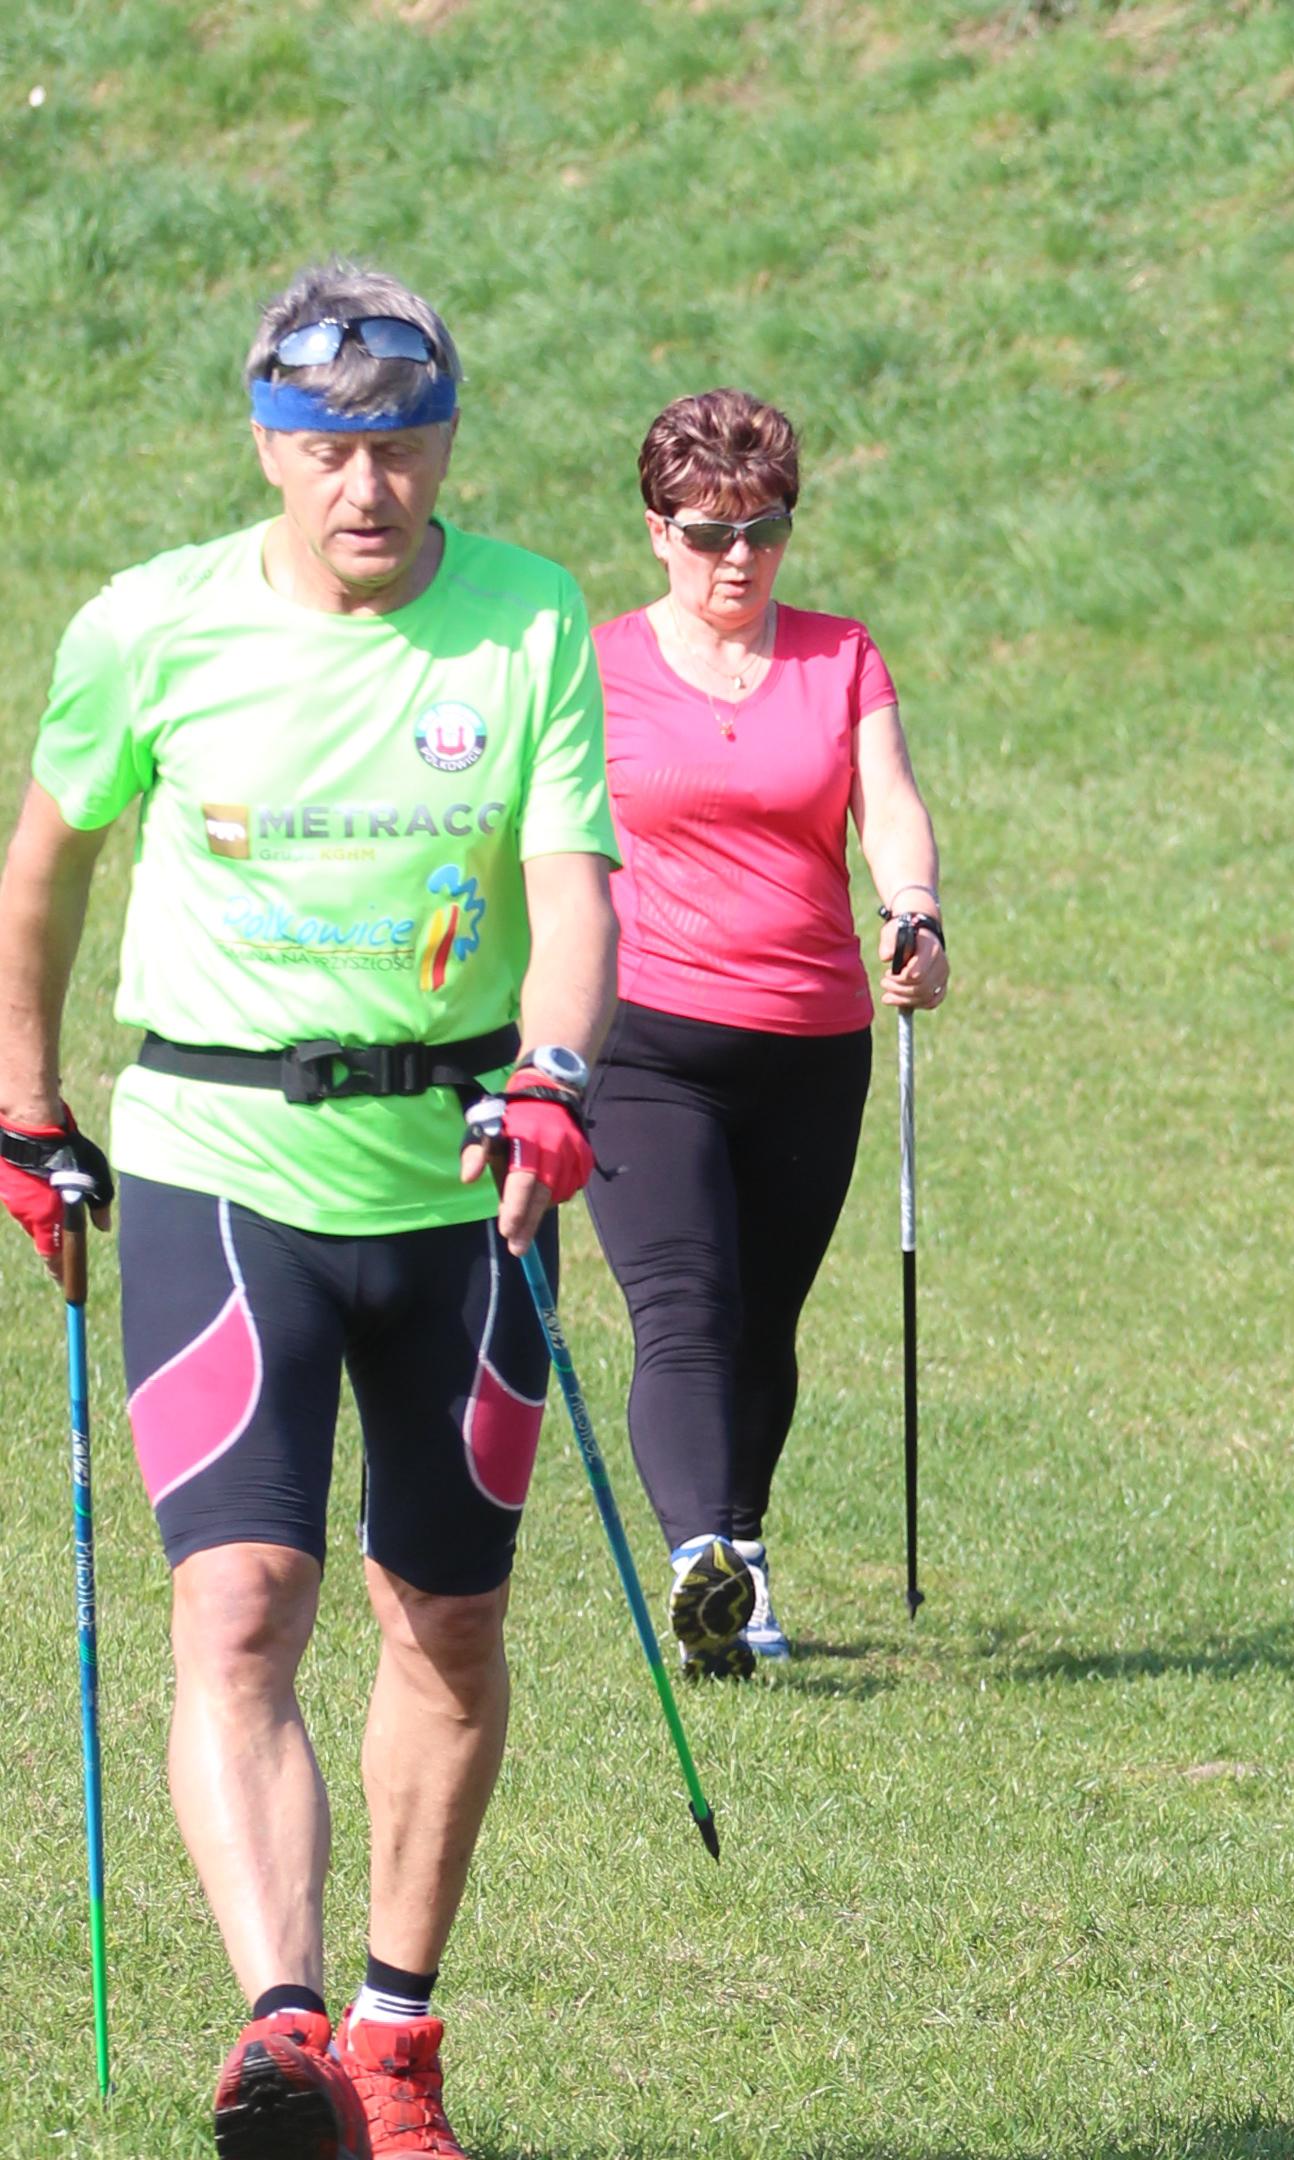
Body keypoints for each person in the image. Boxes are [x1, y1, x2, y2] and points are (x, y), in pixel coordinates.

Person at [0, 262, 619, 2160]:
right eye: (331, 447)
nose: (370, 485)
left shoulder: (526, 622)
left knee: (444, 1618)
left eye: (404, 442)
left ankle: (395, 2040)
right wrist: (24, 1107)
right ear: (270, 442)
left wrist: (555, 1078)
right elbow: (44, 876)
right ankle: (280, 2033)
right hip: (217, 1158)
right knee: (243, 1600)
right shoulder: (148, 625)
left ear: (447, 437)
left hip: (460, 1175)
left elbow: (576, 887)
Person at [581, 387, 945, 1679]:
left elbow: (887, 805)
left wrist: (914, 909)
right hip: (646, 1041)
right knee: (683, 1305)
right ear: (655, 531)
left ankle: (743, 1547)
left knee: (763, 1320)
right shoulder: (598, 667)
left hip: (808, 1041)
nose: (739, 558)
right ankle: (701, 1562)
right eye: (707, 532)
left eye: (766, 529)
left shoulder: (840, 657)